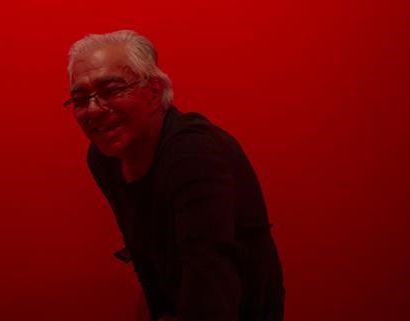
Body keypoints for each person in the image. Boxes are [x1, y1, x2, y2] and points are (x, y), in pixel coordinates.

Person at [64, 30, 285, 321]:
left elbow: (211, 273)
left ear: (154, 92)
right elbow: (142, 254)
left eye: (112, 89)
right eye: (80, 99)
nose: (93, 109)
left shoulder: (194, 152)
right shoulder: (104, 158)